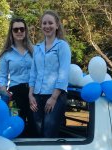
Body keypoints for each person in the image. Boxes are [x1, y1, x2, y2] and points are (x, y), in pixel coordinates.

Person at [28, 10, 71, 138]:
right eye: (44, 23)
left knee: (49, 133)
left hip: (55, 96)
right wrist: (30, 95)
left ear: (57, 25)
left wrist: (53, 98)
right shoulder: (37, 48)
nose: (47, 26)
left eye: (50, 23)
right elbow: (33, 72)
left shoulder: (62, 46)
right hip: (37, 96)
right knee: (37, 131)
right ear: (41, 26)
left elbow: (64, 73)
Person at [0, 17, 35, 136]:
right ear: (11, 32)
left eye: (22, 29)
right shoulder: (6, 54)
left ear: (25, 31)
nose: (19, 32)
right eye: (16, 29)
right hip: (16, 92)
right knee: (19, 124)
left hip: (34, 91)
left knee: (35, 124)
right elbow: (2, 75)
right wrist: (3, 87)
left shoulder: (34, 50)